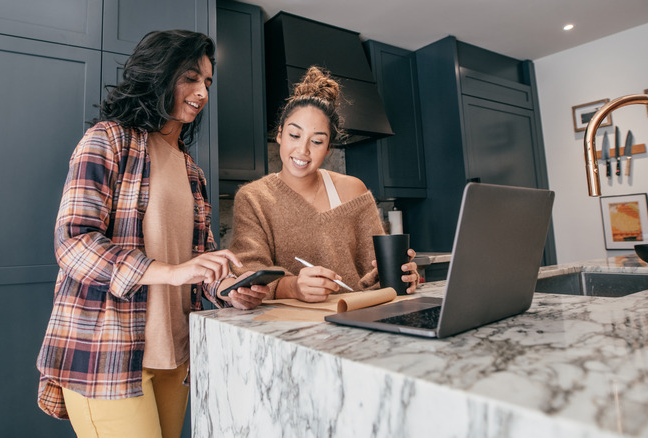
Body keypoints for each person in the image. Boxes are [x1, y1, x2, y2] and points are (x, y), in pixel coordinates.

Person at [36, 30, 267, 438]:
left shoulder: (190, 170)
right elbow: (73, 243)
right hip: (107, 354)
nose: (202, 92)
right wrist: (172, 271)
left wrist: (230, 288)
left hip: (174, 354)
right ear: (159, 75)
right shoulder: (108, 140)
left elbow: (200, 261)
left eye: (208, 83)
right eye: (190, 77)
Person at [227, 66, 419, 303]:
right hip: (289, 328)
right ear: (279, 135)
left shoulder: (353, 190)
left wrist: (401, 275)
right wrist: (293, 286)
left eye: (317, 141)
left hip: (357, 318)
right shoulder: (253, 197)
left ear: (328, 149)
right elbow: (249, 270)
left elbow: (375, 270)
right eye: (294, 135)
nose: (303, 150)